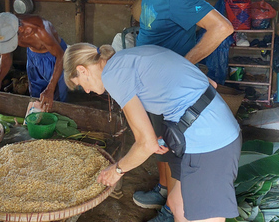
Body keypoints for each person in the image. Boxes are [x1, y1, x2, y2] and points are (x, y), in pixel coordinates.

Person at [112, 0, 234, 221]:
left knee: (175, 146)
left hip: (171, 88)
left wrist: (185, 64)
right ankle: (164, 189)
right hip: (156, 84)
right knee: (160, 141)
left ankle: (172, 208)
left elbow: (222, 28)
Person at [64, 43, 241, 222]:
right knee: (176, 204)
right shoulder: (127, 58)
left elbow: (146, 144)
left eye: (81, 85)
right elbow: (211, 84)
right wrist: (176, 130)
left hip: (210, 142)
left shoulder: (112, 75)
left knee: (195, 215)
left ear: (83, 69)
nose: (87, 91)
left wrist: (117, 170)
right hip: (214, 126)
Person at [0, 12, 67, 112]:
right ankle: (37, 118)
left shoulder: (40, 31)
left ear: (21, 30)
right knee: (35, 94)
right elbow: (5, 57)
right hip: (33, 56)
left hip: (54, 57)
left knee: (55, 96)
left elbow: (61, 56)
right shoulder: (6, 26)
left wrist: (50, 88)